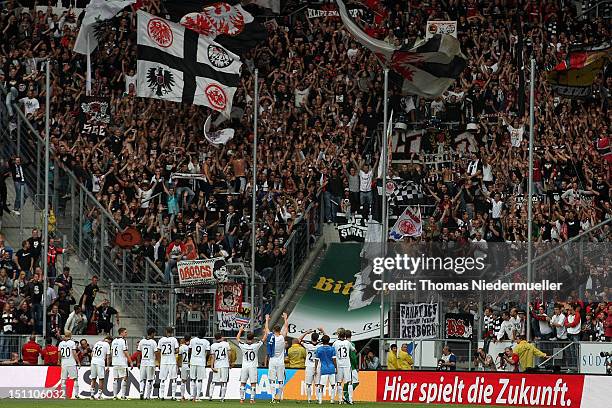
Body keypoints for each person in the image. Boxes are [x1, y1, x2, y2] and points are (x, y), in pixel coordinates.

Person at [264, 312, 288, 403]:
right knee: (281, 380)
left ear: (274, 330)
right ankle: (279, 397)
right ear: (279, 330)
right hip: (281, 362)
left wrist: (267, 319)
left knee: (272, 380)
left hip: (272, 361)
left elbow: (266, 329)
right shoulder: (282, 338)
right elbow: (286, 327)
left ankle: (273, 398)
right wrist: (285, 318)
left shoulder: (270, 336)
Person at [236, 325, 263, 404]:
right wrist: (265, 333)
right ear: (253, 338)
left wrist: (240, 330)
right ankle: (252, 399)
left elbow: (237, 338)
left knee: (243, 382)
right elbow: (264, 339)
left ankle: (241, 399)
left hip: (245, 366)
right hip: (253, 366)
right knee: (253, 383)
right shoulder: (256, 345)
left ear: (247, 338)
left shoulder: (243, 345)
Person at [299, 328, 323, 403]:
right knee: (317, 383)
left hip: (309, 365)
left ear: (311, 337)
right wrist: (322, 331)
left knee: (308, 384)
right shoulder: (320, 345)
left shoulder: (307, 345)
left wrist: (306, 332)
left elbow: (299, 339)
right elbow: (326, 339)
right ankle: (318, 398)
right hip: (318, 365)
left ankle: (309, 399)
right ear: (318, 338)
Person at [333, 328, 355, 404]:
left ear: (338, 334)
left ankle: (340, 400)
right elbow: (353, 350)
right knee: (349, 382)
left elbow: (333, 353)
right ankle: (351, 400)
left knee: (339, 382)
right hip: (346, 365)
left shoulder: (335, 343)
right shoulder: (348, 342)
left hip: (339, 365)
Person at [158, 326, 180, 400]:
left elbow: (158, 350)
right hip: (172, 361)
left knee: (162, 379)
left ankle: (162, 396)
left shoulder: (161, 340)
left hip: (164, 361)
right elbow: (177, 350)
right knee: (174, 379)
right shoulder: (174, 339)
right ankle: (173, 396)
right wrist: (172, 352)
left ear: (166, 332)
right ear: (172, 332)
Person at [111, 327, 133, 400]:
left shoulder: (114, 341)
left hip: (115, 362)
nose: (126, 334)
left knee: (115, 379)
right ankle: (123, 396)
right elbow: (125, 352)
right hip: (122, 362)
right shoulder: (123, 341)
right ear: (121, 333)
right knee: (125, 378)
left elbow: (112, 351)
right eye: (125, 332)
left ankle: (114, 396)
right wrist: (130, 362)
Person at [314, 334, 337, 404]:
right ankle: (332, 400)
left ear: (322, 341)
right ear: (329, 341)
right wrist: (336, 367)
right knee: (333, 385)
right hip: (331, 368)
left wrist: (315, 369)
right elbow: (334, 360)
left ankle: (320, 401)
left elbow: (316, 360)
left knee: (321, 385)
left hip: (324, 369)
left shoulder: (319, 349)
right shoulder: (332, 349)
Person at [58, 330, 81, 399]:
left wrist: (59, 360)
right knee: (75, 379)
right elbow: (74, 353)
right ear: (70, 335)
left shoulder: (61, 343)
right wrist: (78, 362)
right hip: (71, 363)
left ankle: (63, 395)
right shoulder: (72, 343)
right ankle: (76, 395)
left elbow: (59, 353)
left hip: (64, 363)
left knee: (63, 379)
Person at [209, 332, 231, 402]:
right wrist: (229, 362)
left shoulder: (213, 345)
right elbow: (229, 353)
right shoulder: (226, 344)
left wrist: (212, 366)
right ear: (221, 337)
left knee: (214, 381)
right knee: (224, 381)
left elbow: (212, 357)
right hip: (225, 364)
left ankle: (210, 396)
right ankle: (222, 398)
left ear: (215, 338)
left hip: (217, 365)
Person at [189, 330, 211, 401]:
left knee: (192, 379)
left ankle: (192, 396)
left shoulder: (193, 340)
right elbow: (208, 352)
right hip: (201, 362)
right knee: (199, 379)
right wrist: (206, 361)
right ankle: (198, 397)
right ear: (204, 334)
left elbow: (189, 350)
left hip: (193, 361)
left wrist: (190, 360)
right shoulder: (206, 342)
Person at [137, 328, 158, 400]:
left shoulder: (142, 341)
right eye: (154, 333)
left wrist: (138, 362)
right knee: (150, 379)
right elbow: (156, 353)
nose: (155, 335)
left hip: (143, 362)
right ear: (152, 333)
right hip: (151, 363)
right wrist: (158, 361)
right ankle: (148, 396)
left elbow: (138, 353)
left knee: (142, 379)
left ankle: (141, 392)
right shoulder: (153, 342)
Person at [178, 336, 191, 401]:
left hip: (184, 365)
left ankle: (182, 396)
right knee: (193, 380)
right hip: (191, 365)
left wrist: (178, 365)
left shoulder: (181, 348)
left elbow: (180, 357)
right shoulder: (191, 347)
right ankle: (193, 397)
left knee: (183, 381)